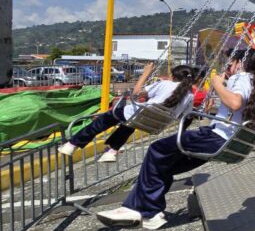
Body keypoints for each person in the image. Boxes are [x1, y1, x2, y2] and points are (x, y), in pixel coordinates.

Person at [95, 50, 255, 228]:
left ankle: (141, 209)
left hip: (215, 137)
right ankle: (150, 213)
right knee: (165, 164)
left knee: (157, 149)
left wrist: (217, 84)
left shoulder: (240, 78)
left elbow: (235, 103)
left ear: (240, 63)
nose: (229, 66)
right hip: (229, 142)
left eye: (231, 62)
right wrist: (247, 114)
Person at [58, 62, 194, 163]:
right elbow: (186, 116)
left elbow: (136, 94)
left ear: (173, 76)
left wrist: (146, 73)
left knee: (101, 122)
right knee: (129, 125)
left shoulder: (165, 84)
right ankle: (111, 151)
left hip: (138, 112)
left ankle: (73, 144)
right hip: (154, 122)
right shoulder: (190, 96)